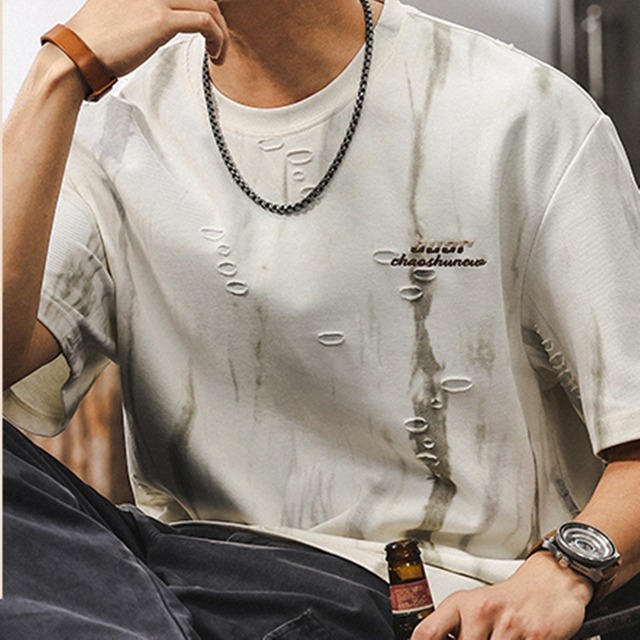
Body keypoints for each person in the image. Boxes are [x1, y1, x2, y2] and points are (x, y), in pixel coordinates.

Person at [3, 0, 640, 638]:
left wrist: (564, 572)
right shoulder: (117, 125)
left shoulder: (522, 114)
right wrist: (59, 71)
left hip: (415, 599)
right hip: (188, 583)